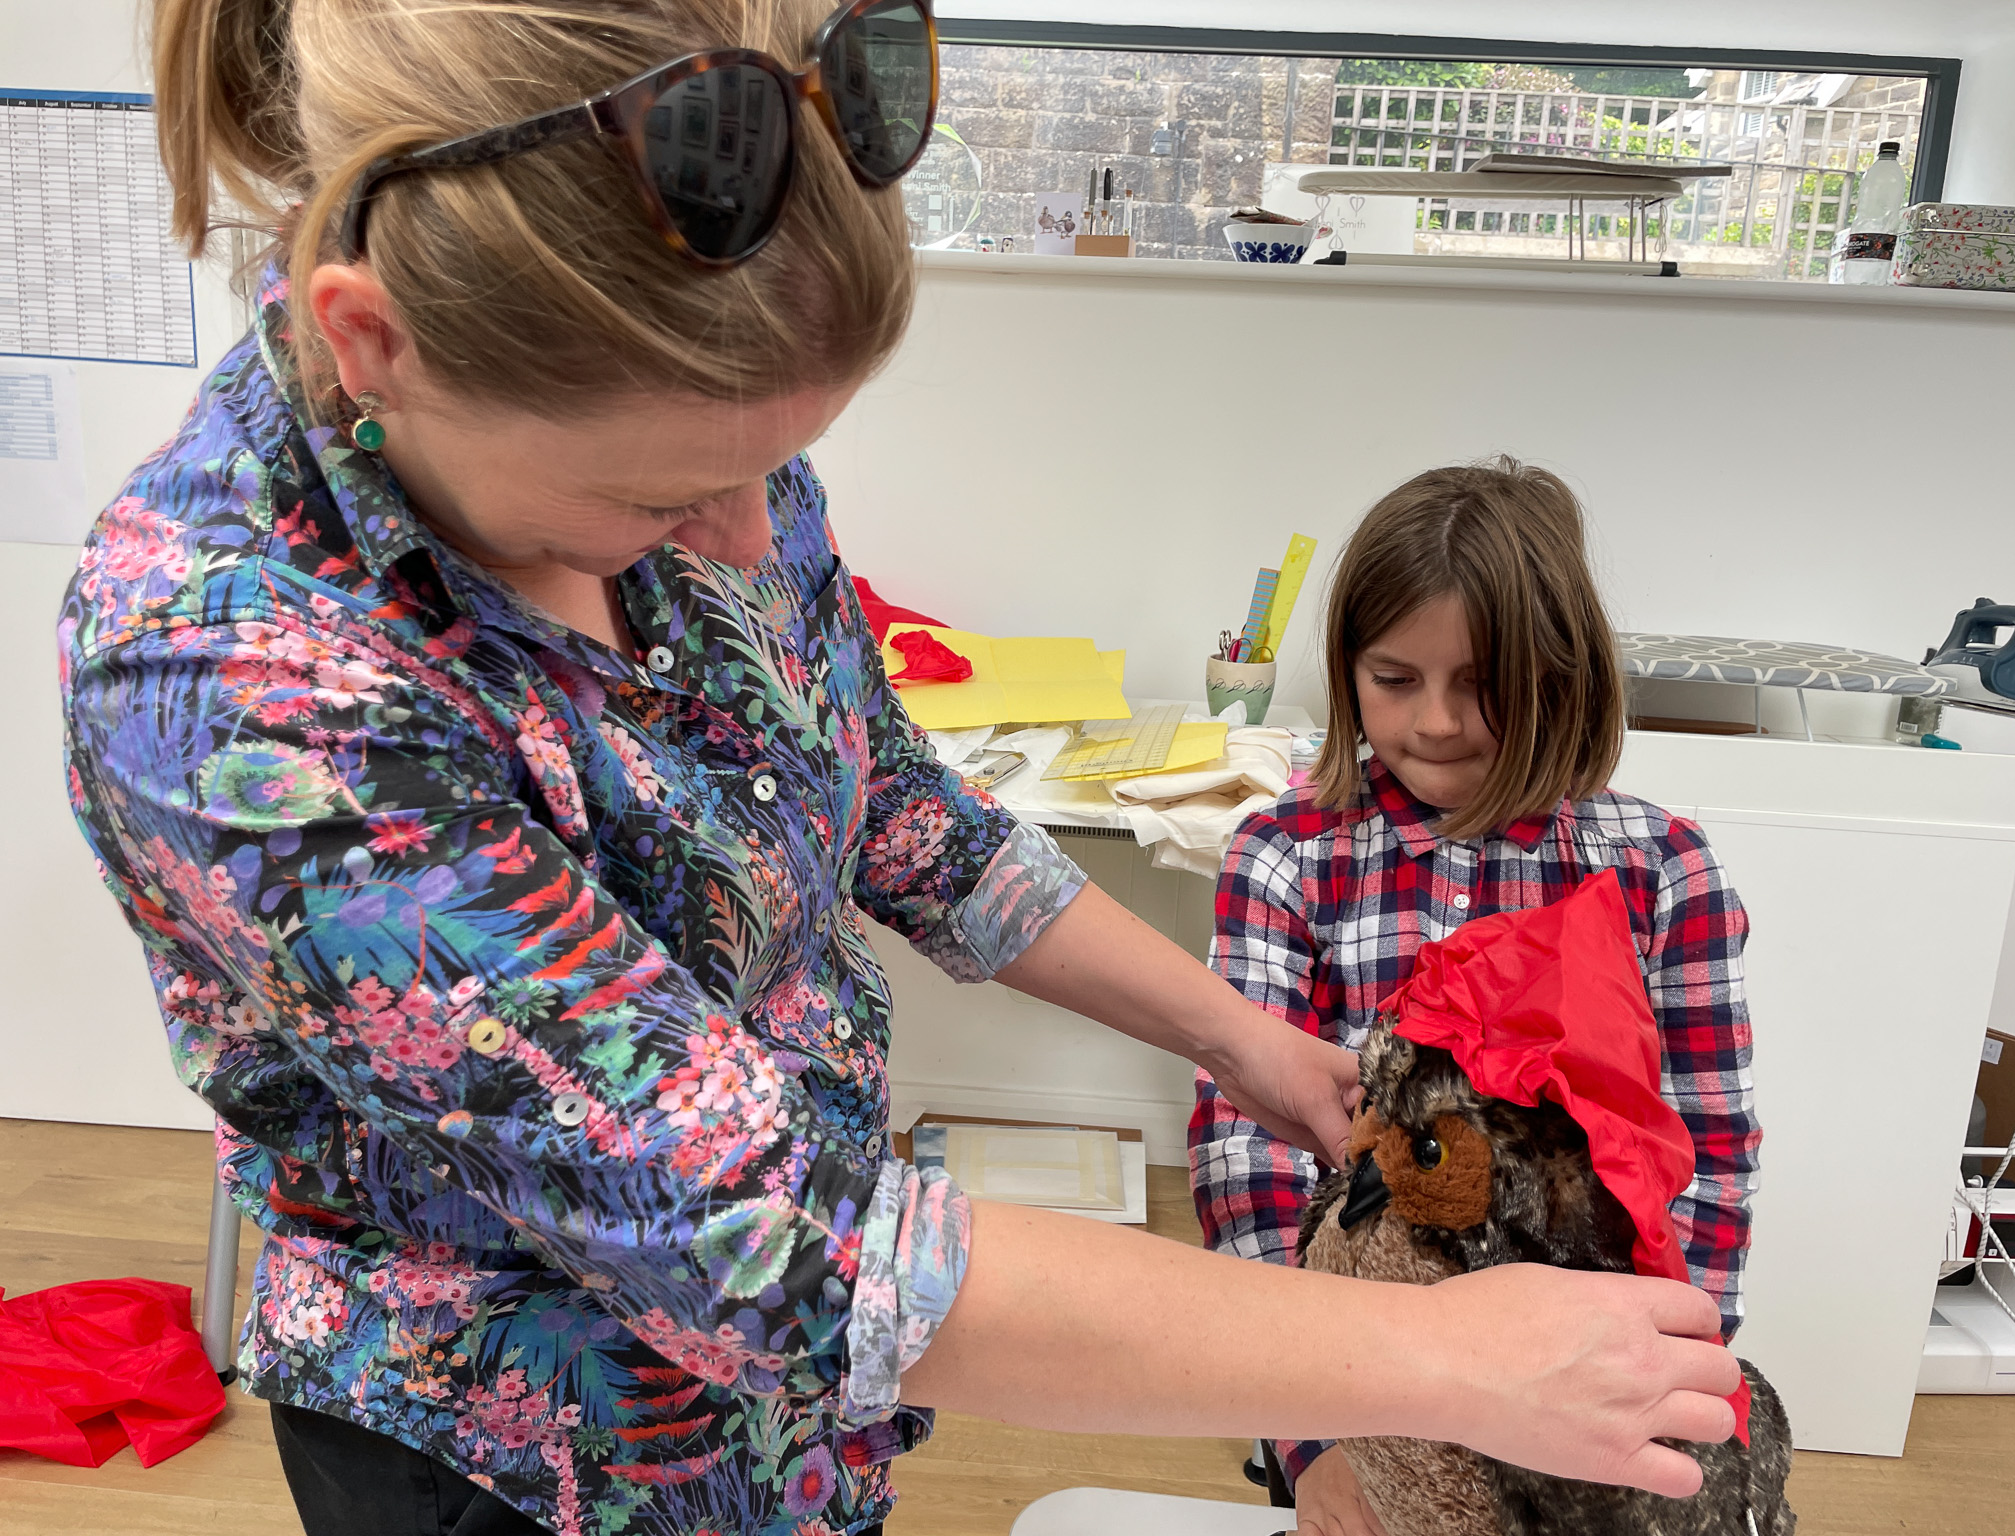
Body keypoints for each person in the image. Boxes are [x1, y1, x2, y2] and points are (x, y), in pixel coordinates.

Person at [60, 1, 1741, 1530]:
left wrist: (1254, 1050)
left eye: (777, 468)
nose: (734, 539)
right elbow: (781, 1247)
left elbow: (905, 818)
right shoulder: (234, 672)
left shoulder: (706, 436)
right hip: (525, 1463)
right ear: (377, 344)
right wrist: (1438, 1362)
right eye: (658, 502)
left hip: (804, 1427)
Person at [1191, 459, 1764, 1536]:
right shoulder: (1285, 857)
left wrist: (1669, 1372)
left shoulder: (1660, 870)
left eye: (1481, 682)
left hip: (1580, 1376)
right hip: (1342, 1375)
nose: (1439, 722)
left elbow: (1708, 1160)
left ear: (1562, 673)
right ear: (1346, 669)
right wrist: (1305, 1440)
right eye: (1393, 678)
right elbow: (1247, 1155)